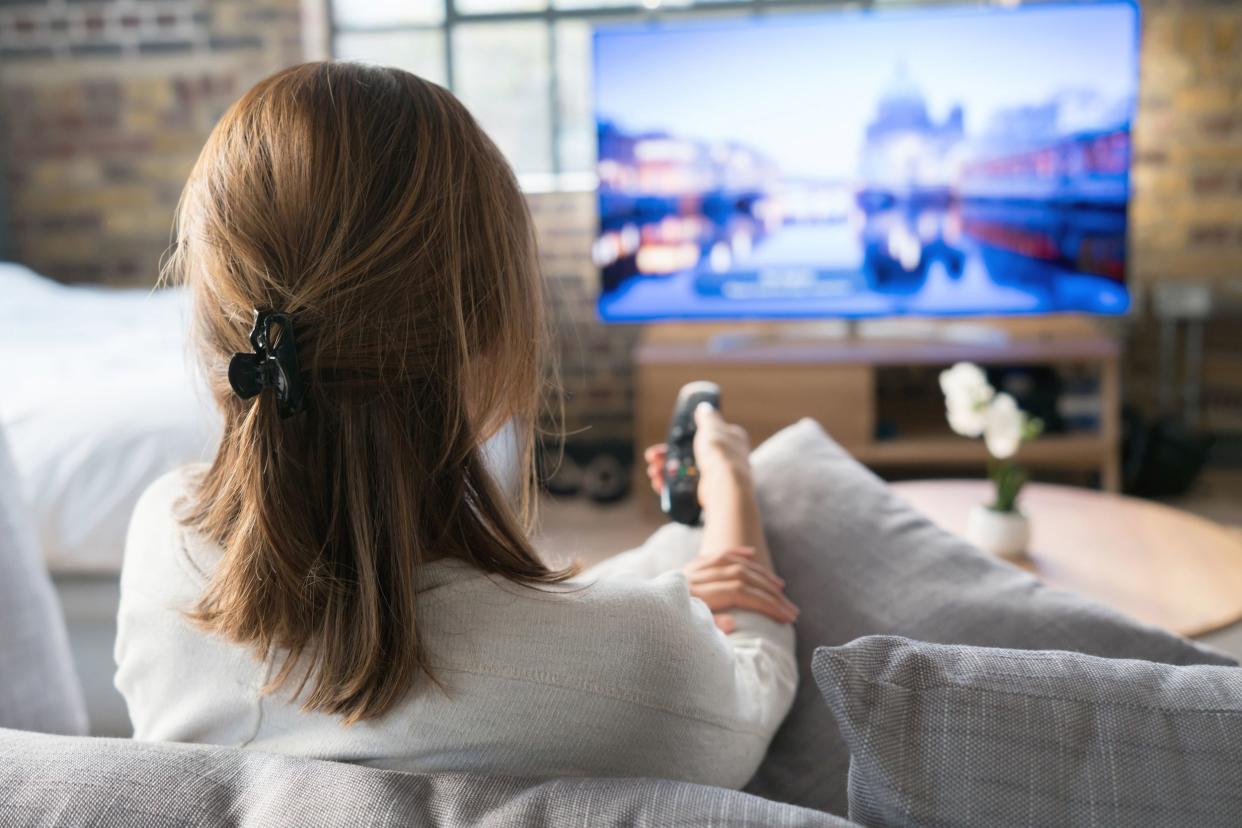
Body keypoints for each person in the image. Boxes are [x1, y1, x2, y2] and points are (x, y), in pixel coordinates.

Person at [114, 61, 798, 790]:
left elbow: (494, 630)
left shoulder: (164, 540)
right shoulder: (640, 664)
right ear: (489, 333)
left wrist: (652, 580)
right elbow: (748, 696)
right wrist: (731, 489)